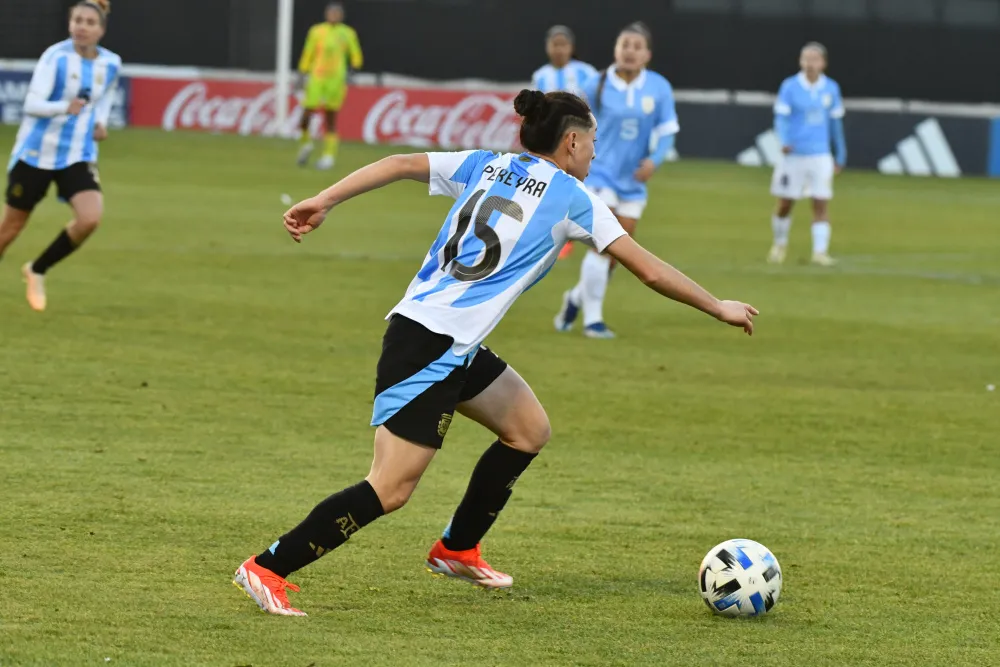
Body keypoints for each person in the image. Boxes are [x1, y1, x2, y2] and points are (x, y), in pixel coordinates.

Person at [232, 88, 758, 616]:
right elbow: (648, 268)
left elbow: (397, 163)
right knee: (391, 488)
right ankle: (268, 567)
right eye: (592, 142)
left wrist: (324, 199)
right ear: (571, 141)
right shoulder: (575, 199)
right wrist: (717, 306)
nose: (595, 153)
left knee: (528, 429)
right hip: (430, 342)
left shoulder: (486, 165)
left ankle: (456, 549)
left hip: (450, 339)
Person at [554, 22, 679, 339]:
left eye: (637, 47)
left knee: (618, 254)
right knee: (603, 247)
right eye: (625, 45)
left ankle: (575, 298)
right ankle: (593, 321)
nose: (630, 51)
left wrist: (655, 160)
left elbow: (666, 131)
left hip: (633, 181)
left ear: (647, 54)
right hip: (600, 174)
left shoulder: (659, 88)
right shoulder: (595, 83)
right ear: (616, 50)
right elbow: (573, 125)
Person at [0, 0, 120, 312]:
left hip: (76, 154)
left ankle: (36, 269)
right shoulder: (55, 58)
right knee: (10, 228)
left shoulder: (110, 64)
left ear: (102, 30)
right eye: (77, 20)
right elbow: (31, 105)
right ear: (69, 25)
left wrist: (101, 121)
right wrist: (62, 107)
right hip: (36, 153)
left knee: (90, 218)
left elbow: (105, 94)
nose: (82, 26)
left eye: (89, 22)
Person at [767, 42, 846, 267]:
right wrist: (783, 140)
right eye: (805, 59)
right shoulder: (790, 86)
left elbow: (836, 125)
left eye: (814, 59)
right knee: (785, 203)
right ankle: (779, 243)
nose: (809, 64)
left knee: (820, 202)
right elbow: (781, 117)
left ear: (823, 63)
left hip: (820, 155)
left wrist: (840, 154)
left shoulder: (831, 89)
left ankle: (820, 252)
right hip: (793, 155)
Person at [531, 25, 597, 260]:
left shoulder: (586, 73)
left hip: (579, 141)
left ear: (571, 47)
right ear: (548, 47)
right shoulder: (540, 75)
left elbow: (595, 104)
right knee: (552, 186)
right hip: (553, 143)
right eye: (555, 44)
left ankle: (578, 232)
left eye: (563, 44)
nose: (559, 49)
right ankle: (559, 234)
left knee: (577, 186)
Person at [295, 2, 363, 170]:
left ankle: (328, 156)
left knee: (330, 117)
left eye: (336, 13)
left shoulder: (347, 33)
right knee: (306, 113)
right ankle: (306, 144)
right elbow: (308, 53)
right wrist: (302, 74)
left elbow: (356, 56)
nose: (333, 16)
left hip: (335, 80)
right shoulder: (316, 31)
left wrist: (352, 72)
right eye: (330, 13)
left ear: (341, 16)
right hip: (317, 78)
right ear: (326, 14)